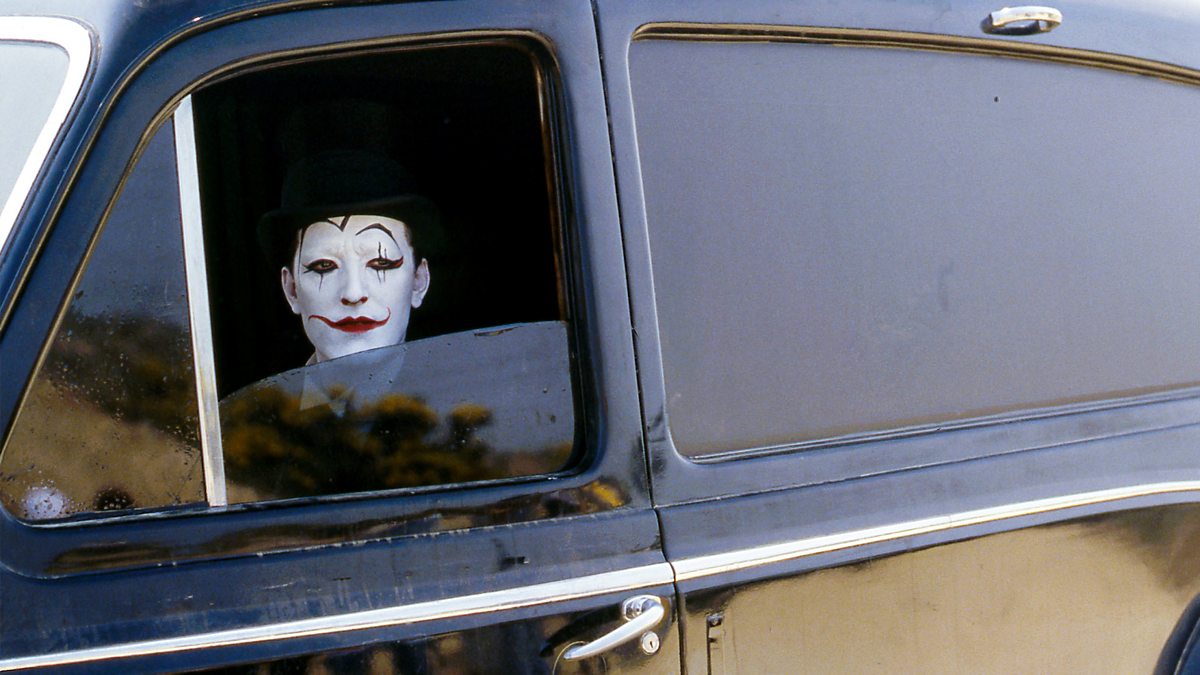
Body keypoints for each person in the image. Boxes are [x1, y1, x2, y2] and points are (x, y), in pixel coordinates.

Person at [257, 149, 439, 365]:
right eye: (324, 265)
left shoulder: (464, 387)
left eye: (381, 263)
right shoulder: (269, 392)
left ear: (419, 281)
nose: (354, 293)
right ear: (291, 289)